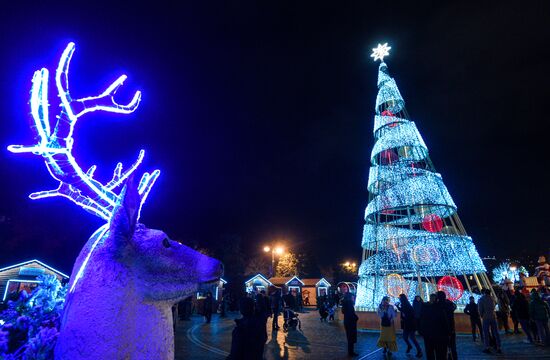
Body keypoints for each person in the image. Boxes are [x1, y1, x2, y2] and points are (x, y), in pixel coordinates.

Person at [419, 293, 450, 360]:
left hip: (428, 334)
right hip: (438, 334)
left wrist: (422, 331)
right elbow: (444, 321)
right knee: (439, 352)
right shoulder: (439, 308)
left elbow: (421, 320)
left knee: (430, 352)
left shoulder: (424, 307)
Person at [478, 288, 502, 354]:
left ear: (485, 293)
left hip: (486, 317)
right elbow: (494, 306)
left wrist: (481, 315)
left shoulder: (482, 299)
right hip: (493, 316)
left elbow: (480, 309)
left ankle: (487, 347)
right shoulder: (493, 299)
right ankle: (498, 347)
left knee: (486, 333)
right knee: (496, 332)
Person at [437, 291, 457, 360]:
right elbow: (454, 307)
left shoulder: (437, 305)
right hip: (451, 328)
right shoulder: (449, 304)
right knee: (452, 346)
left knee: (442, 348)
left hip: (441, 329)